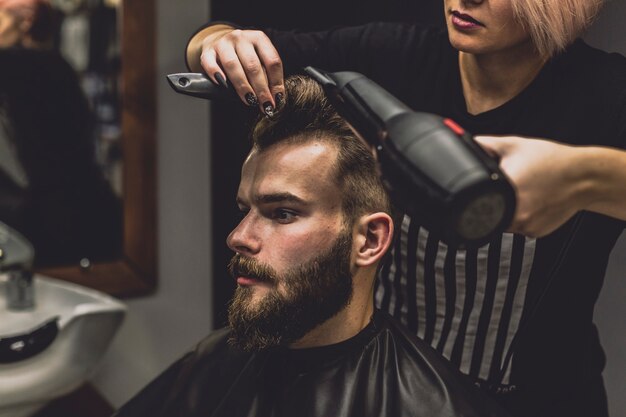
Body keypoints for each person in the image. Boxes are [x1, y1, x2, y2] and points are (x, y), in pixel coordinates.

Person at [184, 1, 626, 416]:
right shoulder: (391, 58)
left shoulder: (606, 98)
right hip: (387, 387)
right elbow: (213, 41)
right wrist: (219, 44)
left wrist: (585, 176)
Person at [112, 75, 511, 417]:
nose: (238, 237)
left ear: (369, 240)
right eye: (245, 208)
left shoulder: (434, 406)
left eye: (282, 213)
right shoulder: (214, 361)